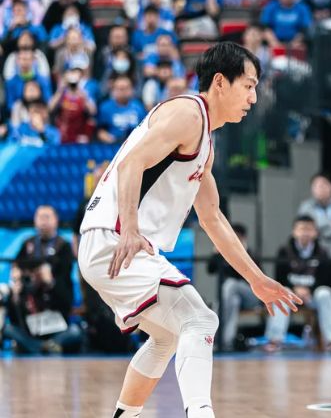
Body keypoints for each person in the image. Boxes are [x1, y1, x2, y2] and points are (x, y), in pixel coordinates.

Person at [78, 42, 302, 418]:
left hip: (114, 244)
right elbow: (131, 163)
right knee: (200, 319)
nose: (253, 97)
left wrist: (256, 279)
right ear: (220, 82)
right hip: (116, 240)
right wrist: (130, 229)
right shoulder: (188, 113)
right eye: (248, 86)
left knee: (167, 336)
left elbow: (213, 219)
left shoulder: (205, 142)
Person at [2, 205, 82, 354]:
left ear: (56, 220)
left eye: (47, 217)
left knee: (75, 332)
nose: (43, 221)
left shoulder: (63, 247)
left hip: (54, 316)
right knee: (8, 329)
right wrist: (17, 286)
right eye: (40, 217)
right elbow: (17, 268)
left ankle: (40, 346)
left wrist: (50, 282)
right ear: (34, 220)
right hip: (30, 318)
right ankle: (44, 347)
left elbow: (66, 294)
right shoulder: (28, 244)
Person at [264, 215, 331, 353]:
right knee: (280, 294)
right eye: (301, 229)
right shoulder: (284, 251)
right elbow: (279, 278)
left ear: (316, 232)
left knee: (325, 293)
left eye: (309, 229)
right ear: (294, 232)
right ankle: (274, 340)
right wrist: (295, 289)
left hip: (312, 296)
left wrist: (309, 290)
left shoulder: (322, 252)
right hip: (291, 294)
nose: (305, 233)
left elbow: (326, 280)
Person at [207, 223, 262, 351]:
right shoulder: (224, 252)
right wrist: (215, 254)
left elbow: (258, 276)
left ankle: (213, 335)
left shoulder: (249, 253)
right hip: (231, 297)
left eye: (236, 237)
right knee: (233, 300)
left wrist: (241, 254)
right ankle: (226, 342)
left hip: (252, 295)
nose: (232, 240)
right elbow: (210, 269)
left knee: (230, 284)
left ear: (243, 238)